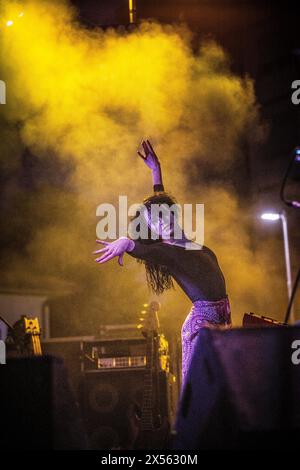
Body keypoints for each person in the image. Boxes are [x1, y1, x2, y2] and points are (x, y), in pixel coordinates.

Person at [94, 140, 231, 387]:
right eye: (154, 221)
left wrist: (156, 171)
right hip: (202, 331)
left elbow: (160, 201)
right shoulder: (165, 251)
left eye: (163, 215)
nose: (162, 221)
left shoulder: (188, 244)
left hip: (220, 327)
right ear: (152, 231)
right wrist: (126, 241)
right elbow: (143, 250)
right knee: (203, 392)